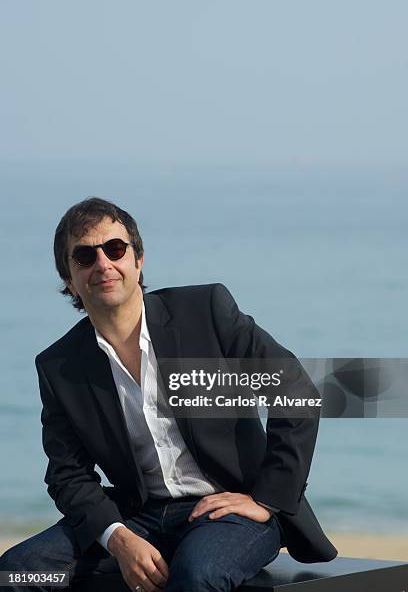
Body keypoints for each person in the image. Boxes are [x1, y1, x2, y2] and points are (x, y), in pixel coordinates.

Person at [0, 197, 337, 591]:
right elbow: (67, 474)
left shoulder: (206, 311)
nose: (103, 264)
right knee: (17, 572)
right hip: (136, 517)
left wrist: (264, 499)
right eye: (85, 257)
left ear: (138, 260)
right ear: (69, 278)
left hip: (228, 510)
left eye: (115, 249)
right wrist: (117, 538)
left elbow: (294, 389)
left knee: (197, 573)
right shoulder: (59, 365)